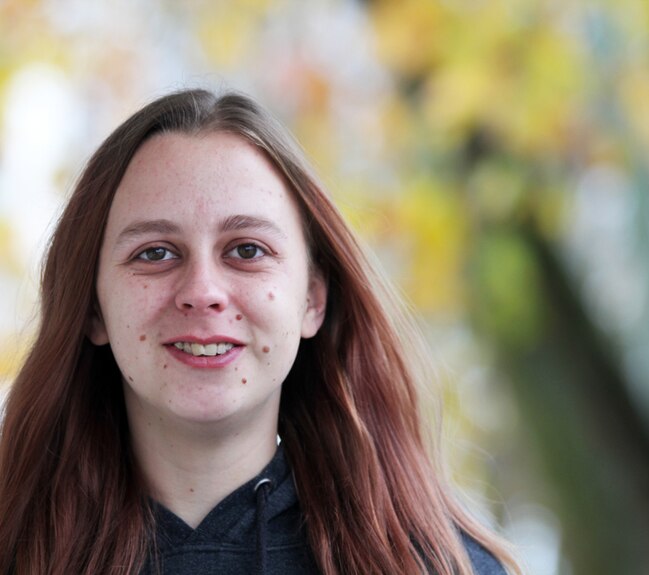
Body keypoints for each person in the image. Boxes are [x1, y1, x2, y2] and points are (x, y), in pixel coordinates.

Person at [0, 90, 518, 575]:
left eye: (246, 250)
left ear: (312, 299)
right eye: (154, 252)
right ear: (92, 308)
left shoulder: (439, 566)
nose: (202, 291)